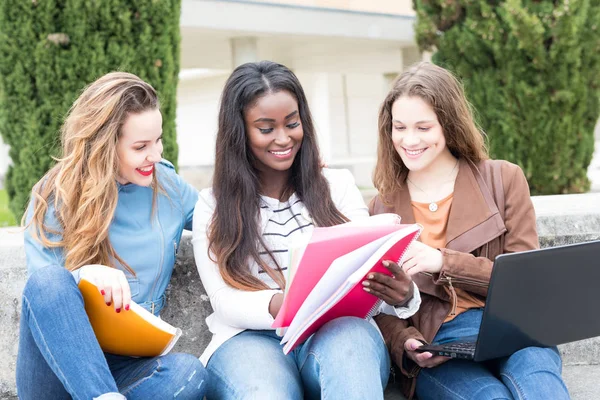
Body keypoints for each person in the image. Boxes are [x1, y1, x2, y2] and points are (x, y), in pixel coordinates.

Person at [192, 60, 421, 400]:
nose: (283, 138)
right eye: (266, 128)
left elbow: (367, 287)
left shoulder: (337, 186)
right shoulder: (213, 204)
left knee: (351, 356)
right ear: (239, 131)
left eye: (292, 123)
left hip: (336, 330)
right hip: (247, 339)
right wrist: (283, 304)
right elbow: (224, 301)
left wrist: (404, 296)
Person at [370, 62, 570, 399]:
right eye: (400, 127)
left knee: (541, 389)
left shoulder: (504, 179)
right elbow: (377, 305)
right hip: (441, 347)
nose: (409, 140)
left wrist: (442, 262)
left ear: (447, 124)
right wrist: (406, 342)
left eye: (423, 127)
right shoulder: (382, 207)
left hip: (514, 329)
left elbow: (526, 282)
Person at [16, 72, 208, 400]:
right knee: (50, 281)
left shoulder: (168, 186)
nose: (156, 155)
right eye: (140, 146)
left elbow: (221, 216)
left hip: (128, 366)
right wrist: (83, 275)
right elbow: (44, 297)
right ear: (105, 144)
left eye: (158, 140)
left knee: (189, 373)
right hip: (59, 366)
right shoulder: (55, 195)